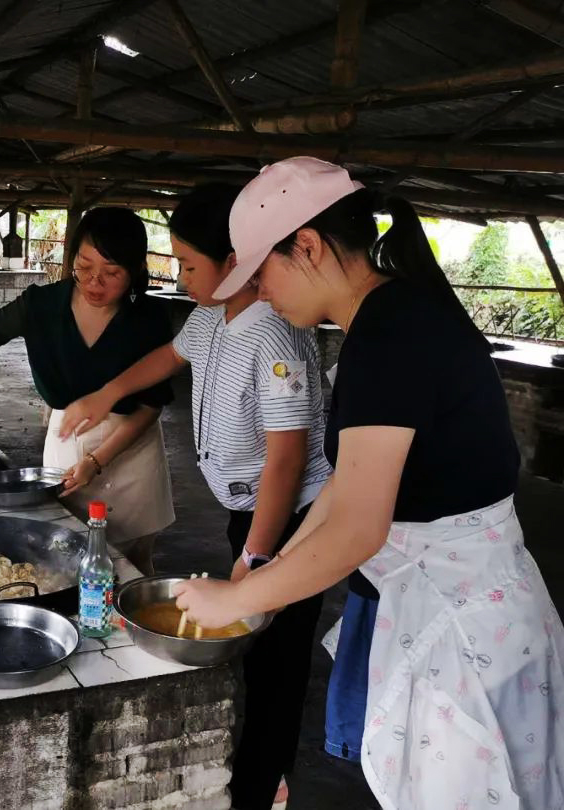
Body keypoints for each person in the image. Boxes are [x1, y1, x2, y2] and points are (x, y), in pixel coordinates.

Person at [175, 156, 564, 809]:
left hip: (469, 627)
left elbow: (359, 525)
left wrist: (234, 601)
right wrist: (260, 571)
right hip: (447, 611)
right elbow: (340, 492)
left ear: (308, 246)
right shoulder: (385, 323)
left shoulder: (391, 334)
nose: (260, 292)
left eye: (261, 271)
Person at [59, 185, 331, 810]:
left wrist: (259, 556)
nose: (178, 276)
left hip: (290, 522)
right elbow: (165, 357)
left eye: (186, 263)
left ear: (237, 259)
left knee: (276, 662)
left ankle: (263, 785)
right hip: (250, 513)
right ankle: (247, 762)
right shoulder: (212, 317)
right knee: (250, 643)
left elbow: (287, 460)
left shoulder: (277, 338)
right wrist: (104, 395)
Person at [0, 207, 175, 574]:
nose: (94, 282)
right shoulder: (43, 305)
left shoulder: (148, 320)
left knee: (131, 567)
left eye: (112, 273)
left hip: (132, 454)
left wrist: (96, 461)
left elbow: (150, 408)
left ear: (136, 270)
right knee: (63, 559)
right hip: (65, 445)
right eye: (84, 267)